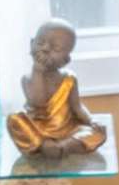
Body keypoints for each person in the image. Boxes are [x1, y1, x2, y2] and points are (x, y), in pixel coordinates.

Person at [7, 19, 111, 158]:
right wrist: (38, 71)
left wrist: (91, 120)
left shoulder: (69, 79)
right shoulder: (27, 79)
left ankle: (64, 147)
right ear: (31, 44)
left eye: (55, 48)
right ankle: (43, 145)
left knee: (98, 134)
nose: (45, 49)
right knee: (14, 119)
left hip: (67, 130)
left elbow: (77, 107)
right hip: (36, 130)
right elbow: (39, 101)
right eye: (40, 43)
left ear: (66, 60)